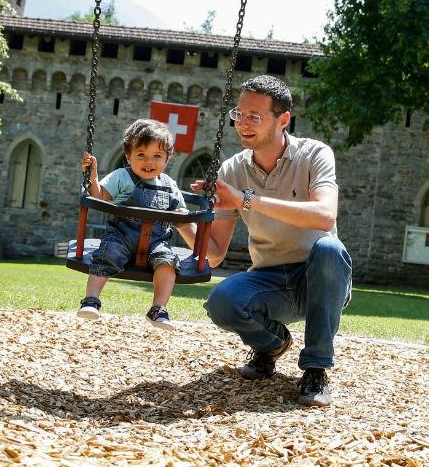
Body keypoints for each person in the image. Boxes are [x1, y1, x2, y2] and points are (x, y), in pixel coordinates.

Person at [187, 75, 352, 408]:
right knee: (221, 301)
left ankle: (316, 368)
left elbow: (324, 216)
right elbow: (214, 256)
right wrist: (180, 219)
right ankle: (272, 345)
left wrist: (246, 200)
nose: (243, 124)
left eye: (255, 117)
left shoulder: (314, 154)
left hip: (319, 279)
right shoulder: (232, 170)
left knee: (329, 248)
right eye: (239, 114)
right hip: (270, 280)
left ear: (283, 120)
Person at [76, 118, 192, 330]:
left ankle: (158, 309)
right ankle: (91, 300)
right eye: (141, 155)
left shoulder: (170, 185)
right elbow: (99, 197)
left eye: (157, 156)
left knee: (168, 262)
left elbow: (181, 213)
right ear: (128, 157)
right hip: (121, 236)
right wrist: (92, 177)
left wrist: (183, 214)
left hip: (156, 242)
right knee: (107, 253)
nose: (149, 162)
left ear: (167, 159)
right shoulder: (121, 176)